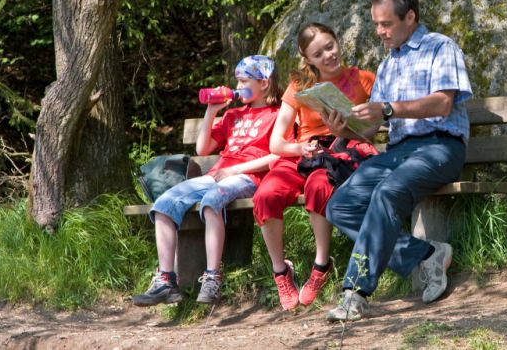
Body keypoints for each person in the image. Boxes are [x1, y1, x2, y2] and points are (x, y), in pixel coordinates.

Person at [324, 0, 472, 322]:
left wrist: (389, 109)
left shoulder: (440, 47)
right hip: (399, 152)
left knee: (387, 193)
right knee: (340, 205)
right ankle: (427, 254)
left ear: (410, 17)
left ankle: (355, 293)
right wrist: (341, 129)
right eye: (376, 24)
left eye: (386, 24)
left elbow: (443, 103)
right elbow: (370, 128)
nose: (380, 31)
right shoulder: (388, 63)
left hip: (440, 147)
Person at [132, 55, 281, 307]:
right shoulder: (233, 115)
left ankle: (212, 278)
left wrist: (236, 170)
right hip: (216, 175)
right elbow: (203, 149)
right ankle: (166, 281)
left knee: (212, 200)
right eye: (237, 81)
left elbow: (277, 155)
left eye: (244, 81)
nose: (238, 86)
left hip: (248, 177)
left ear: (264, 83)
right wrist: (212, 110)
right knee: (164, 204)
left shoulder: (276, 114)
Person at [252, 22, 375, 310]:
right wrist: (300, 148)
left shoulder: (363, 79)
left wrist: (347, 130)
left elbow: (372, 130)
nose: (328, 56)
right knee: (266, 195)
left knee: (319, 185)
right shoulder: (299, 85)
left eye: (330, 46)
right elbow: (276, 143)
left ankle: (321, 265)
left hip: (340, 151)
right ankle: (281, 271)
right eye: (318, 54)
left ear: (337, 41)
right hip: (304, 152)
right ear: (307, 59)